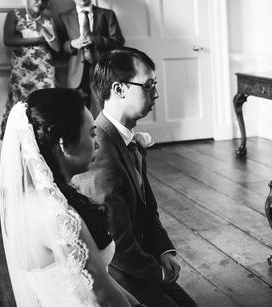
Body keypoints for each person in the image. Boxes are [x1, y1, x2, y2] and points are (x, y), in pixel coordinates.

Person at [73, 47, 197, 307]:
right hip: (118, 273)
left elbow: (146, 209)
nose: (156, 93)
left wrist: (164, 250)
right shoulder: (100, 155)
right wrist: (157, 273)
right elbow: (116, 245)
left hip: (143, 261)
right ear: (119, 89)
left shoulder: (127, 139)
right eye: (148, 84)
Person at [0, 88, 144, 307]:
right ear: (63, 143)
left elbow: (100, 280)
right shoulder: (57, 215)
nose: (97, 143)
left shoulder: (31, 200)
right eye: (92, 133)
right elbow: (104, 296)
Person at [1, 0, 60, 139]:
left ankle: (44, 146)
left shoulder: (48, 19)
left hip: (44, 72)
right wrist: (39, 40)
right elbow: (8, 40)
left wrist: (44, 30)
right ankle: (16, 148)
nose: (39, 2)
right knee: (20, 109)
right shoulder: (14, 14)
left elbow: (57, 47)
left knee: (45, 109)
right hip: (22, 72)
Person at [60, 0, 124, 118]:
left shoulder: (107, 14)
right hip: (76, 73)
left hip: (101, 68)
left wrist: (95, 40)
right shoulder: (64, 17)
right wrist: (72, 44)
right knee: (77, 112)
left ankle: (104, 135)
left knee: (103, 109)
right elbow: (61, 46)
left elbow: (118, 41)